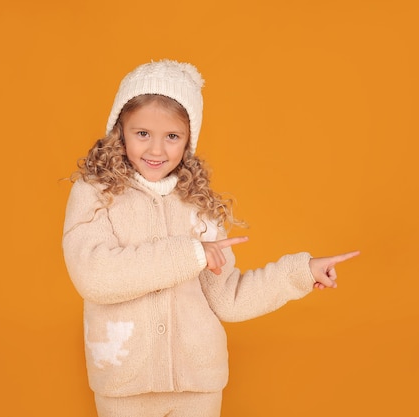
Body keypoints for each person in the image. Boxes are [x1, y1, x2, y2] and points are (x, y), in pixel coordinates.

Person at [62, 59, 360, 417]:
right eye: (142, 134)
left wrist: (301, 272)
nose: (156, 150)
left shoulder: (196, 201)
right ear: (119, 131)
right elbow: (94, 276)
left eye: (172, 136)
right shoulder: (95, 193)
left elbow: (229, 298)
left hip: (198, 385)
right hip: (123, 383)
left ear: (188, 141)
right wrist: (191, 254)